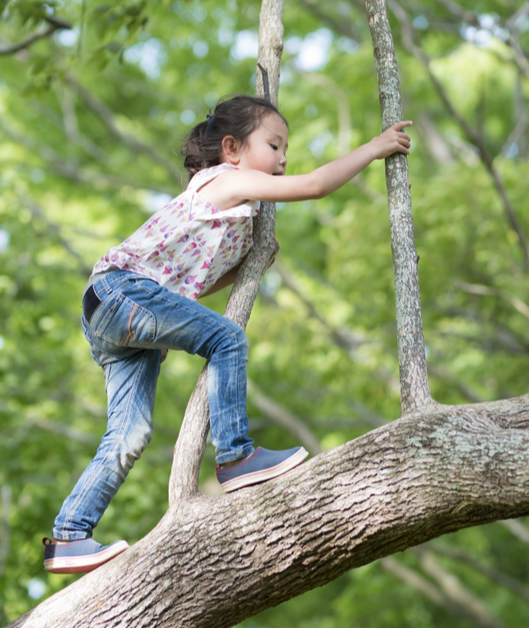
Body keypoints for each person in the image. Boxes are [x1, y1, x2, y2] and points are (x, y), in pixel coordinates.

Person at [43, 95, 412, 574]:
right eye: (274, 145)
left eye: (286, 150)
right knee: (227, 339)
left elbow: (192, 287)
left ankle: (71, 534)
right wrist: (375, 147)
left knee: (130, 434)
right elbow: (316, 185)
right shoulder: (226, 179)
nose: (283, 159)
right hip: (123, 292)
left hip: (113, 313)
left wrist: (248, 263)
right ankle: (236, 455)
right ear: (232, 148)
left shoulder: (237, 210)